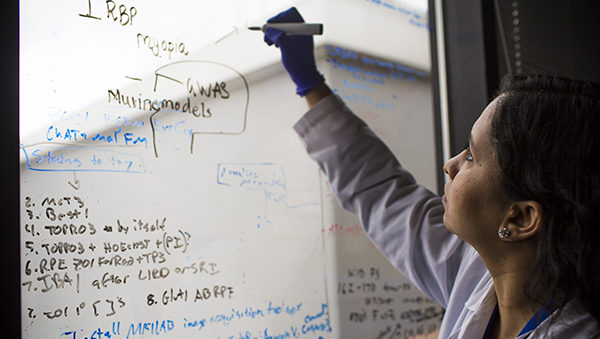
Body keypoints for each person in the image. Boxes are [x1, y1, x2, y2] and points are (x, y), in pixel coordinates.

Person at [263, 7, 600, 339]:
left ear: (521, 218)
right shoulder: (482, 275)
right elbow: (384, 195)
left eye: (470, 156)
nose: (450, 164)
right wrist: (309, 83)